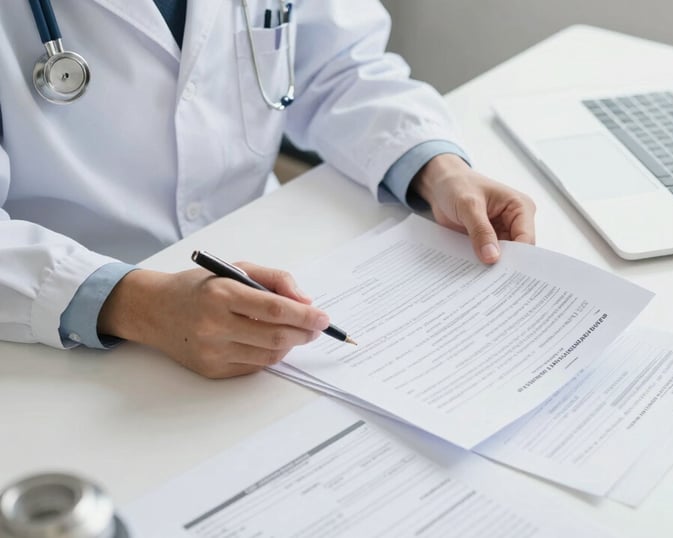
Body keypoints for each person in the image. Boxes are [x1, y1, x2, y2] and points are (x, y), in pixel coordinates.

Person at [0, 0, 535, 378]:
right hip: (56, 325)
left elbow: (338, 65)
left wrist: (433, 165)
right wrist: (134, 303)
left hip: (267, 254)